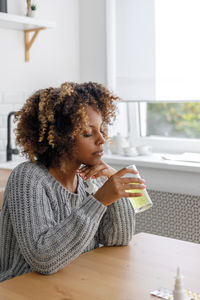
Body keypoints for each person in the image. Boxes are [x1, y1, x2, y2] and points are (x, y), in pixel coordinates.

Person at [0, 82, 146, 282]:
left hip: (74, 282)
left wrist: (113, 188)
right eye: (88, 133)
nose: (101, 139)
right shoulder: (28, 179)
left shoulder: (86, 180)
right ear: (61, 138)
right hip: (23, 289)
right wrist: (99, 201)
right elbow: (44, 259)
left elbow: (117, 239)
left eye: (101, 129)